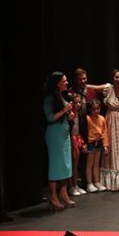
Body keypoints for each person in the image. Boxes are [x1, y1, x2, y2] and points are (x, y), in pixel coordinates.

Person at [43, 72, 75, 210]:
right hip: (55, 135)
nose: (67, 83)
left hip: (64, 134)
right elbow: (50, 118)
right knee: (56, 166)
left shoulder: (61, 96)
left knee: (65, 165)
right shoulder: (49, 99)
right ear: (57, 83)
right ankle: (53, 197)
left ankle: (64, 194)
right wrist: (64, 110)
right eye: (64, 81)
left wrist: (69, 116)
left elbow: (63, 116)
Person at [84, 99, 108, 194]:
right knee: (90, 163)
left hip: (99, 142)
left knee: (97, 163)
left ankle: (97, 182)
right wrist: (86, 143)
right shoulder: (87, 118)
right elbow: (85, 132)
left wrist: (105, 145)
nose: (96, 111)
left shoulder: (101, 118)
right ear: (90, 109)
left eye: (98, 109)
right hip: (91, 142)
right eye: (94, 109)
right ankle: (89, 183)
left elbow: (104, 131)